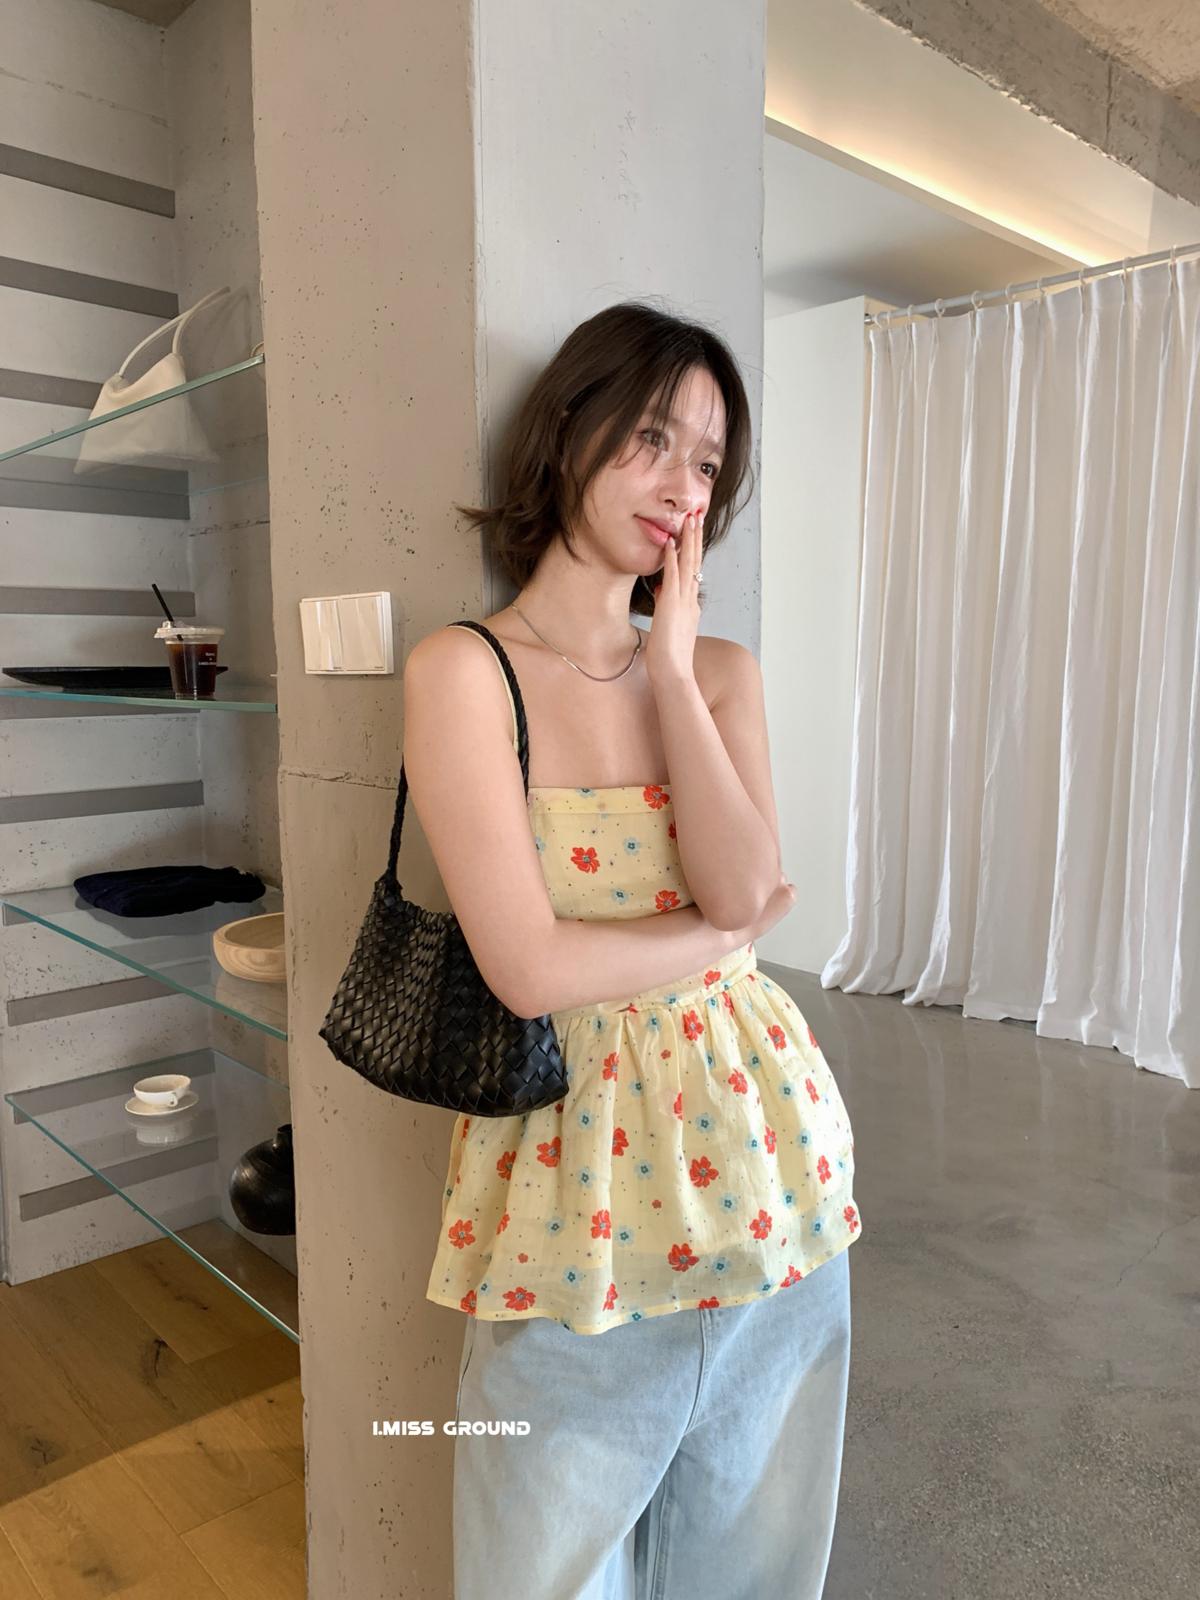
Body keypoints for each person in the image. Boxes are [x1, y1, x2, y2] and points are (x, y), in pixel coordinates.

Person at [401, 300, 862, 1599]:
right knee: (537, 1575)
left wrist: (669, 672)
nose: (683, 487)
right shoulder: (465, 672)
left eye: (708, 462)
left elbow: (745, 883)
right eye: (653, 438)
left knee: (756, 1575)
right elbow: (529, 969)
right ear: (569, 430)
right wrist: (720, 937)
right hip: (573, 1209)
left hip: (772, 1183)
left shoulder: (716, 672)